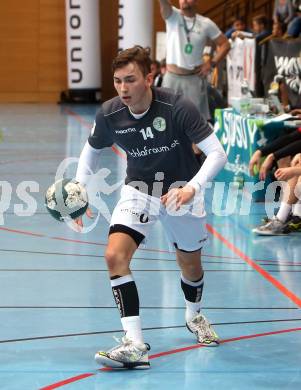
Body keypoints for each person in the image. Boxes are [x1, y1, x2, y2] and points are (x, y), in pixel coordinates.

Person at [74, 46, 227, 369]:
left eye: (130, 80)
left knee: (191, 266)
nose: (123, 88)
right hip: (139, 190)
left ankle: (193, 315)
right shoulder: (110, 113)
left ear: (149, 78)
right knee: (114, 255)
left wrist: (191, 188)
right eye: (117, 81)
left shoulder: (176, 106)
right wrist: (79, 190)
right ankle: (134, 343)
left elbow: (217, 153)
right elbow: (91, 150)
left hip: (181, 191)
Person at [158, 0, 230, 120]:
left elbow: (225, 44)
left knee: (195, 121)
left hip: (194, 80)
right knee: (167, 120)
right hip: (171, 79)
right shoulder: (172, 15)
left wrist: (211, 63)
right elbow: (164, 4)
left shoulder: (205, 23)